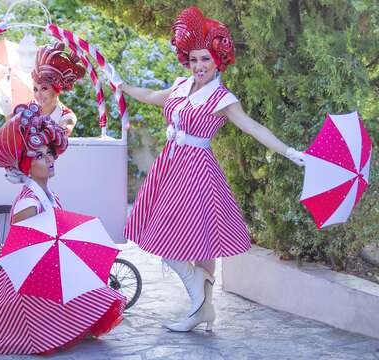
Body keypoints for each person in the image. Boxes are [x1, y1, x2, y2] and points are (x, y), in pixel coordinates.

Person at [114, 6, 305, 332]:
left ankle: (200, 301)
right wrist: (121, 85)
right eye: (193, 59)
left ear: (218, 58)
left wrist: (289, 152)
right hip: (169, 168)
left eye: (205, 59)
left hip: (196, 173)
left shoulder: (221, 98)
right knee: (169, 237)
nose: (199, 65)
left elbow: (252, 128)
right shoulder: (179, 87)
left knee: (190, 240)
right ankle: (201, 305)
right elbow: (151, 95)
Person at [0, 103, 126, 354]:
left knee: (98, 293)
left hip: (46, 266)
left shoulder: (48, 195)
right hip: (28, 280)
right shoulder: (29, 201)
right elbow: (24, 251)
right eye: (39, 156)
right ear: (25, 167)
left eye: (49, 153)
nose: (49, 159)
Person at [1, 42, 84, 135]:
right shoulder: (27, 110)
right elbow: (13, 133)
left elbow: (62, 132)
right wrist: (7, 111)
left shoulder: (66, 116)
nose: (38, 95)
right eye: (35, 89)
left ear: (57, 90)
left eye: (44, 89)